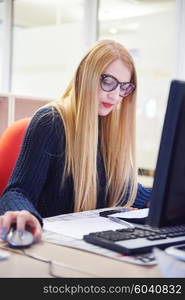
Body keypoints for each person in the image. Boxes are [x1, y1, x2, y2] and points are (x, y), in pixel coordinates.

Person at [0, 39, 151, 242]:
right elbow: (17, 192)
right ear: (86, 77)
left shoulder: (107, 127)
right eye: (108, 81)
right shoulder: (50, 122)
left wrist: (169, 199)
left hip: (91, 242)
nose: (115, 95)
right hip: (52, 245)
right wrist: (22, 213)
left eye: (124, 87)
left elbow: (122, 189)